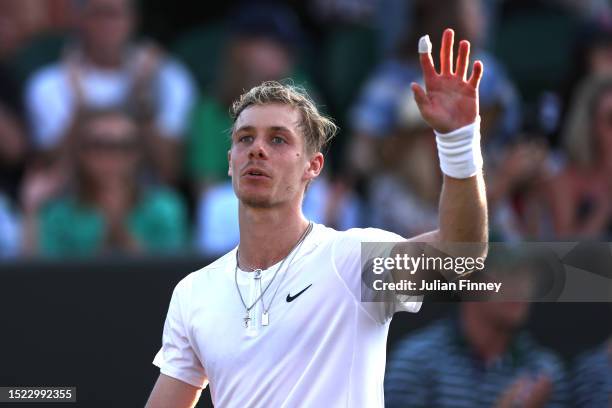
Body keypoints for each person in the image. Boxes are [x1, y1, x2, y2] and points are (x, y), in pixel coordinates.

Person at [146, 29, 487, 407]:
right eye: (245, 139)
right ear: (230, 162)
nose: (257, 149)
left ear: (313, 166)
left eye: (278, 139)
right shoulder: (193, 293)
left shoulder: (353, 258)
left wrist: (458, 143)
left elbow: (461, 259)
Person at [24, 0, 196, 184]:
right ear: (79, 20)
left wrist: (142, 98)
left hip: (147, 199)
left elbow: (169, 170)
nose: (106, 24)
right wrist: (81, 108)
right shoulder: (47, 83)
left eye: (114, 14)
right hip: (75, 199)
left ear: (133, 19)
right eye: (97, 14)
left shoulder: (169, 78)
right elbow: (52, 169)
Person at [21, 110, 188, 257]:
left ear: (138, 154)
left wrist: (119, 228)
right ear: (81, 153)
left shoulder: (165, 208)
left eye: (124, 146)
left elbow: (172, 279)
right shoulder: (59, 215)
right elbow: (37, 282)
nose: (112, 156)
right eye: (99, 145)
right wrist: (31, 210)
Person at [385, 302, 569, 407]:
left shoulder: (545, 370)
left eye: (527, 273)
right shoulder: (416, 360)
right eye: (504, 271)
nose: (520, 285)